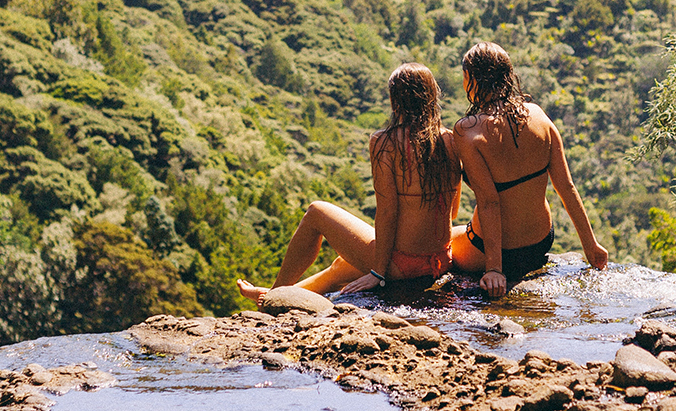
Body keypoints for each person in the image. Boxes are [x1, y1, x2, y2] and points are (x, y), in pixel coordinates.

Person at [237, 63, 460, 300]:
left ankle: (274, 296)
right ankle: (281, 294)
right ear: (432, 97)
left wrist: (378, 273)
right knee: (340, 266)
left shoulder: (385, 142)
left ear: (395, 101)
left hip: (400, 266)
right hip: (439, 261)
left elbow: (387, 213)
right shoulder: (451, 140)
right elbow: (453, 212)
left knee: (316, 212)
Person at [450, 42, 609, 296]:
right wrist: (591, 246)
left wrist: (494, 269)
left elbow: (490, 202)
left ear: (471, 79)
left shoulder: (467, 130)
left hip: (494, 251)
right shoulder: (538, 115)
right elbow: (566, 186)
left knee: (445, 241)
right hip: (540, 243)